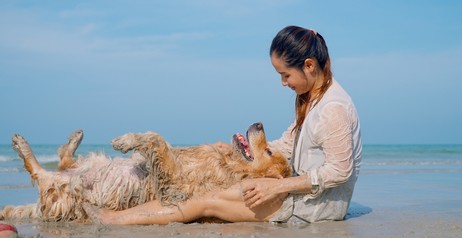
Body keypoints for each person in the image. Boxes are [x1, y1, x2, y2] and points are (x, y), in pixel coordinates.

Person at [89, 25, 362, 225]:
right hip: (295, 192)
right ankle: (120, 216)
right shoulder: (311, 99)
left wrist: (277, 187)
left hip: (314, 207)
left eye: (285, 75)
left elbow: (340, 171)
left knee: (204, 199)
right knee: (206, 192)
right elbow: (288, 145)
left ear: (309, 65)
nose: (282, 83)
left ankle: (113, 220)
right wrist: (237, 152)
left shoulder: (333, 108)